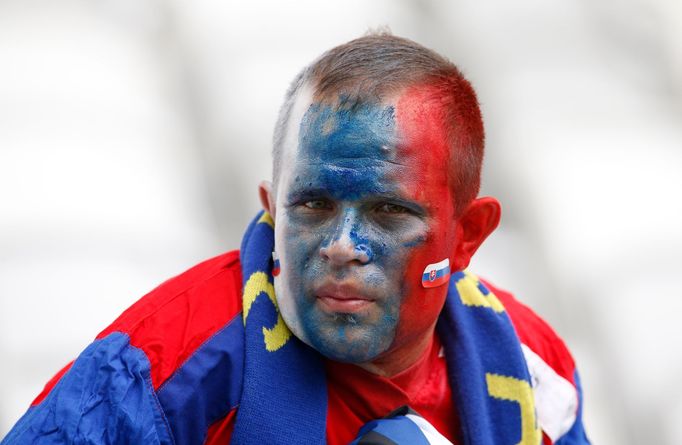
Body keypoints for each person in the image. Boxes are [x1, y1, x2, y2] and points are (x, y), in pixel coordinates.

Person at [1, 33, 590, 445]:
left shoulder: (537, 370)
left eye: (388, 211)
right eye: (313, 205)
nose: (341, 244)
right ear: (270, 208)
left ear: (467, 236)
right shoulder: (159, 371)